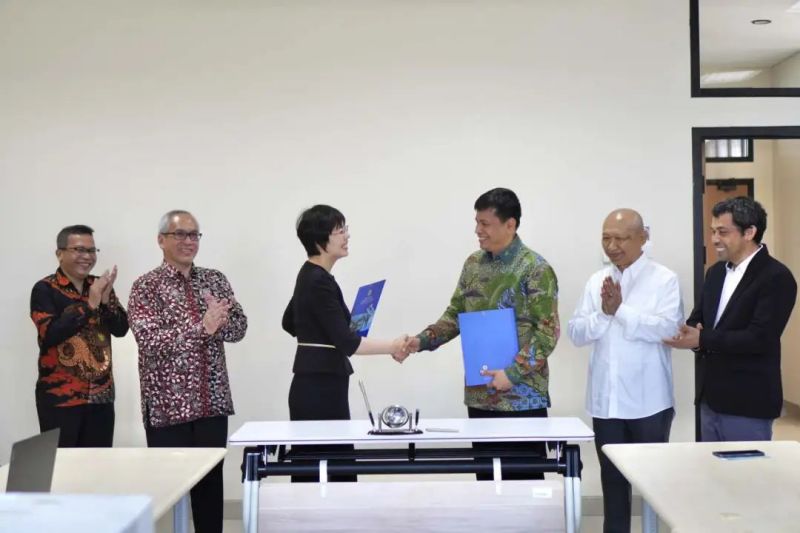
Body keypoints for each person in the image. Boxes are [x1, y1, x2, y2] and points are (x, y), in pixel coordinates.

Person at [399, 187, 559, 480]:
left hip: (521, 397)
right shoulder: (473, 264)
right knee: (487, 485)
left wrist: (512, 373)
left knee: (524, 488)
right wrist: (420, 341)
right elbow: (455, 314)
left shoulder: (535, 269)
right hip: (480, 394)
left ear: (510, 224)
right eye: (477, 222)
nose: (478, 230)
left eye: (485, 223)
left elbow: (548, 333)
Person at [128, 210, 247, 533]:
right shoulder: (146, 286)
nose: (188, 241)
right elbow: (149, 341)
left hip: (212, 402)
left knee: (210, 490)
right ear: (161, 240)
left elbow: (239, 328)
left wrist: (218, 322)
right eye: (180, 234)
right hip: (168, 408)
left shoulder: (214, 279)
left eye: (194, 235)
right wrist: (202, 328)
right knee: (171, 493)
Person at [568, 209, 682, 533]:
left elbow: (669, 330)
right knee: (613, 484)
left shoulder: (664, 279)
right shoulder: (596, 281)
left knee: (653, 484)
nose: (612, 246)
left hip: (650, 402)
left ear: (643, 238)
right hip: (607, 403)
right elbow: (576, 332)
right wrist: (604, 315)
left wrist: (620, 311)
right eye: (606, 238)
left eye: (621, 238)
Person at [282, 204, 408, 482]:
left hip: (316, 381)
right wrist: (393, 346)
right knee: (330, 469)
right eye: (340, 231)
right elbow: (349, 343)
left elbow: (289, 322)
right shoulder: (318, 281)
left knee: (322, 467)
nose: (347, 235)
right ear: (320, 240)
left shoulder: (311, 275)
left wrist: (322, 333)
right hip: (319, 387)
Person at [666, 197, 796, 442]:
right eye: (713, 231)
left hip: (748, 403)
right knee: (710, 466)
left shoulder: (776, 276)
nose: (714, 239)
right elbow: (698, 320)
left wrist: (703, 338)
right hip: (709, 399)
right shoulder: (715, 273)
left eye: (723, 232)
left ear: (749, 232)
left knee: (745, 467)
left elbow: (760, 338)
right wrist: (692, 335)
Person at [30, 225, 128, 448]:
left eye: (91, 251)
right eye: (79, 250)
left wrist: (105, 302)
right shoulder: (45, 289)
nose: (87, 256)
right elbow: (50, 334)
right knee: (63, 465)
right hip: (60, 398)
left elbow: (121, 329)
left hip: (101, 398)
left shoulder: (99, 285)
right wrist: (90, 305)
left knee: (98, 465)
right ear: (60, 253)